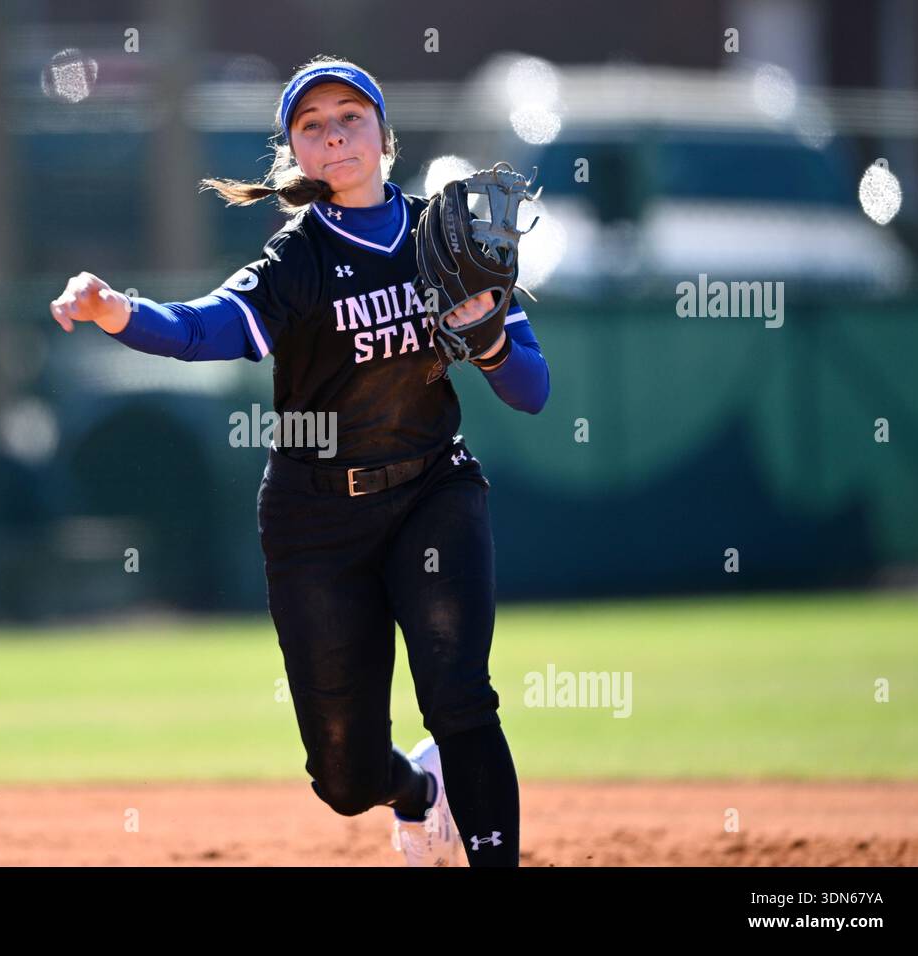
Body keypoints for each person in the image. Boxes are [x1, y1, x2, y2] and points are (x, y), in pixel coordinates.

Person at [51, 55, 550, 866]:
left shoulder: (451, 239)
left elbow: (531, 391)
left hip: (432, 490)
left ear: (385, 135)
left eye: (350, 116)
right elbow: (202, 329)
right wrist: (116, 310)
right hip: (317, 515)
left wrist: (488, 333)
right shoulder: (298, 261)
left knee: (460, 696)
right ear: (295, 152)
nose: (334, 134)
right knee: (345, 778)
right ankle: (418, 792)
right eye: (312, 125)